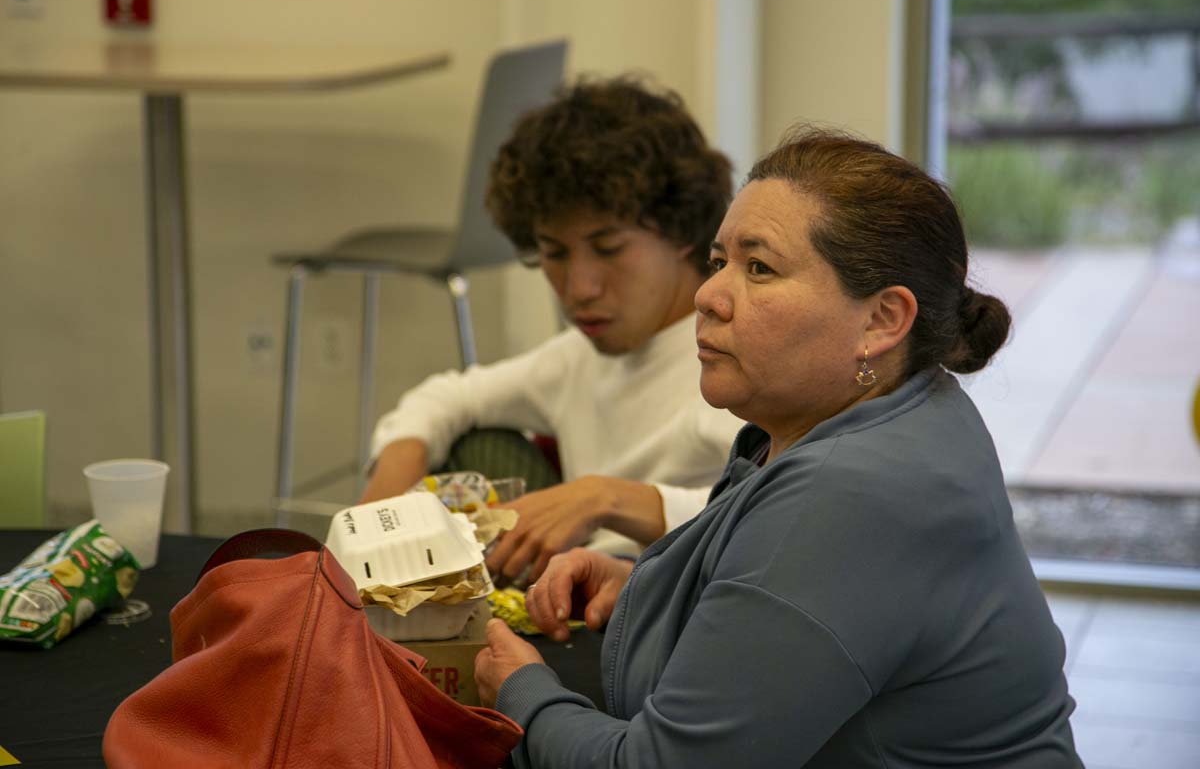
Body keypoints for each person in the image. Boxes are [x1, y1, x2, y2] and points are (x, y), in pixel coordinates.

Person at [475, 127, 1083, 768]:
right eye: (719, 262)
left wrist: (523, 691)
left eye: (759, 268)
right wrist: (649, 590)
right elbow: (815, 619)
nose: (708, 296)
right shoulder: (913, 405)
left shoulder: (850, 494)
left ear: (881, 320)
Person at [359, 77, 744, 582]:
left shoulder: (734, 362)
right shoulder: (575, 360)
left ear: (680, 232)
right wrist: (377, 511)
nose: (578, 288)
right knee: (470, 447)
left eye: (608, 248)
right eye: (554, 253)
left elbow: (774, 514)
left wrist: (600, 497)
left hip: (668, 605)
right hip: (566, 600)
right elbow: (448, 397)